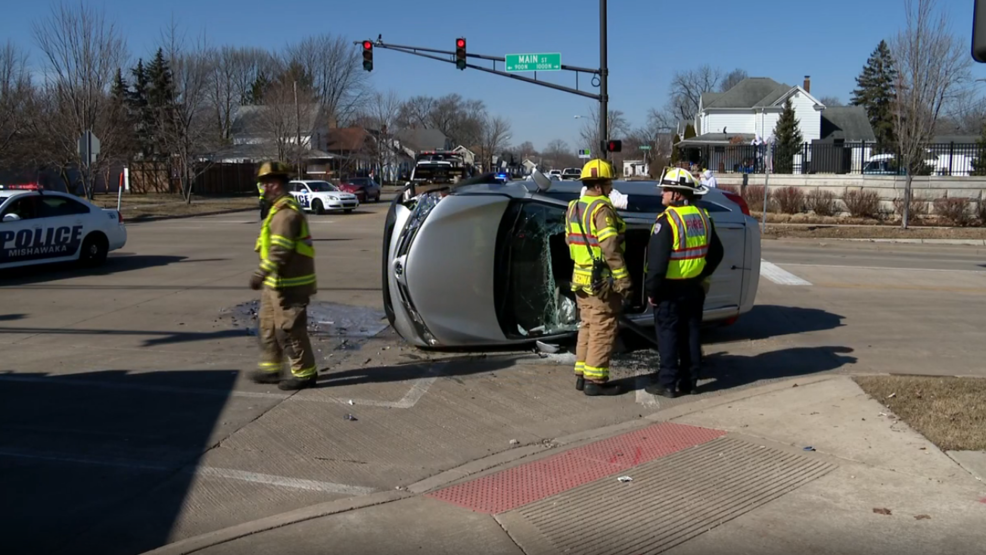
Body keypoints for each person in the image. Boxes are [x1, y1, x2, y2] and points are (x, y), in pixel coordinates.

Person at [643, 167, 724, 398]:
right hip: (694, 288)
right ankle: (690, 382)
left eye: (665, 190)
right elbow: (717, 253)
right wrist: (700, 275)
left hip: (669, 290)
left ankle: (667, 383)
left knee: (668, 336)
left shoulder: (667, 220)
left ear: (677, 194)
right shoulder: (703, 216)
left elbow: (657, 264)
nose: (662, 193)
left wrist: (652, 291)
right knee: (691, 333)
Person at [565, 158, 633, 396]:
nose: (611, 188)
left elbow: (569, 240)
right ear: (598, 185)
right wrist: (623, 280)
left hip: (580, 278)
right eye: (608, 183)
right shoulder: (602, 209)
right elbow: (610, 247)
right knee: (603, 327)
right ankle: (595, 381)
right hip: (601, 281)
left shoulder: (573, 207)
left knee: (587, 326)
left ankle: (581, 375)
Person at [249, 161, 319, 390]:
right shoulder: (276, 210)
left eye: (271, 183)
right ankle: (271, 369)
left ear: (281, 184)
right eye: (264, 183)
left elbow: (280, 251)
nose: (266, 187)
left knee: (290, 330)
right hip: (275, 284)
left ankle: (305, 373)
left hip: (290, 285)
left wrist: (260, 273)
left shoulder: (286, 214)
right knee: (267, 327)